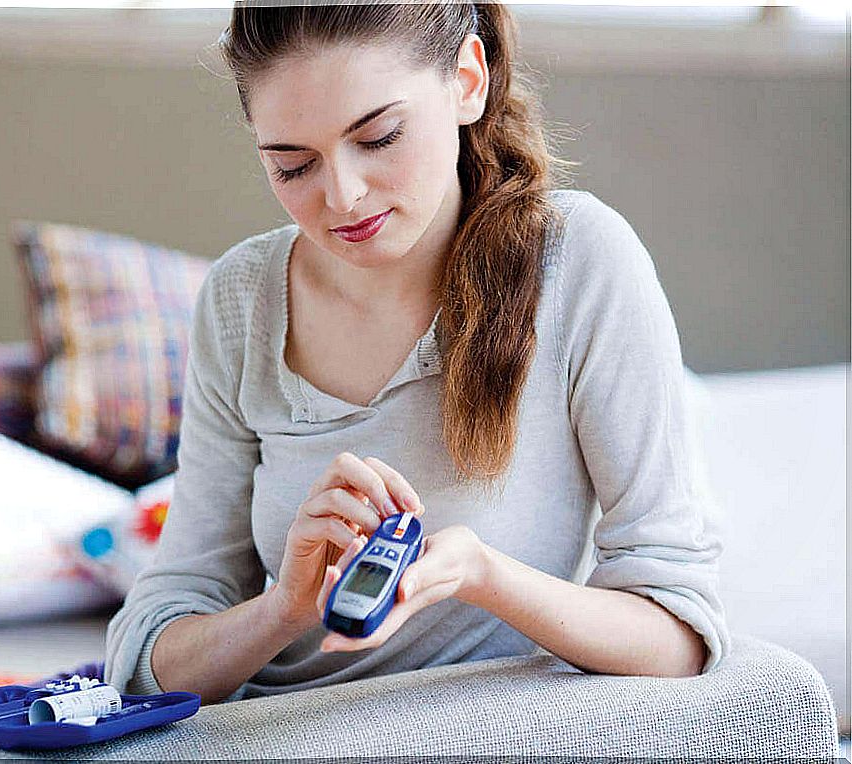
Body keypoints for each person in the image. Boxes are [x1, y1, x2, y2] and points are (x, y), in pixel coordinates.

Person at [104, 1, 730, 705]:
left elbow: (679, 633)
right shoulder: (241, 297)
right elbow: (144, 659)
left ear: (467, 80)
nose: (340, 196)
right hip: (267, 734)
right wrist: (284, 607)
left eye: (378, 138)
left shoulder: (576, 261)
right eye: (291, 165)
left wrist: (482, 576)